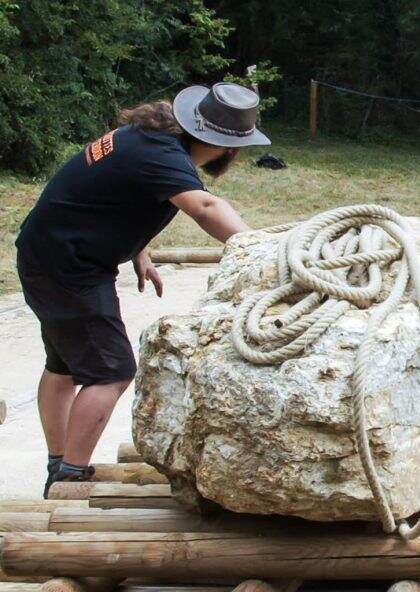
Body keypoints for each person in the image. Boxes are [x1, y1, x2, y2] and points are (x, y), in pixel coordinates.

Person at [15, 82, 270, 498]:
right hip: (69, 267)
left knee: (64, 365)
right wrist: (264, 250)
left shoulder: (148, 135)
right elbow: (205, 206)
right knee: (111, 372)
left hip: (48, 253)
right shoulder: (163, 155)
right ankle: (69, 478)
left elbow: (114, 192)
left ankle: (58, 464)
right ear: (225, 146)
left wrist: (139, 247)